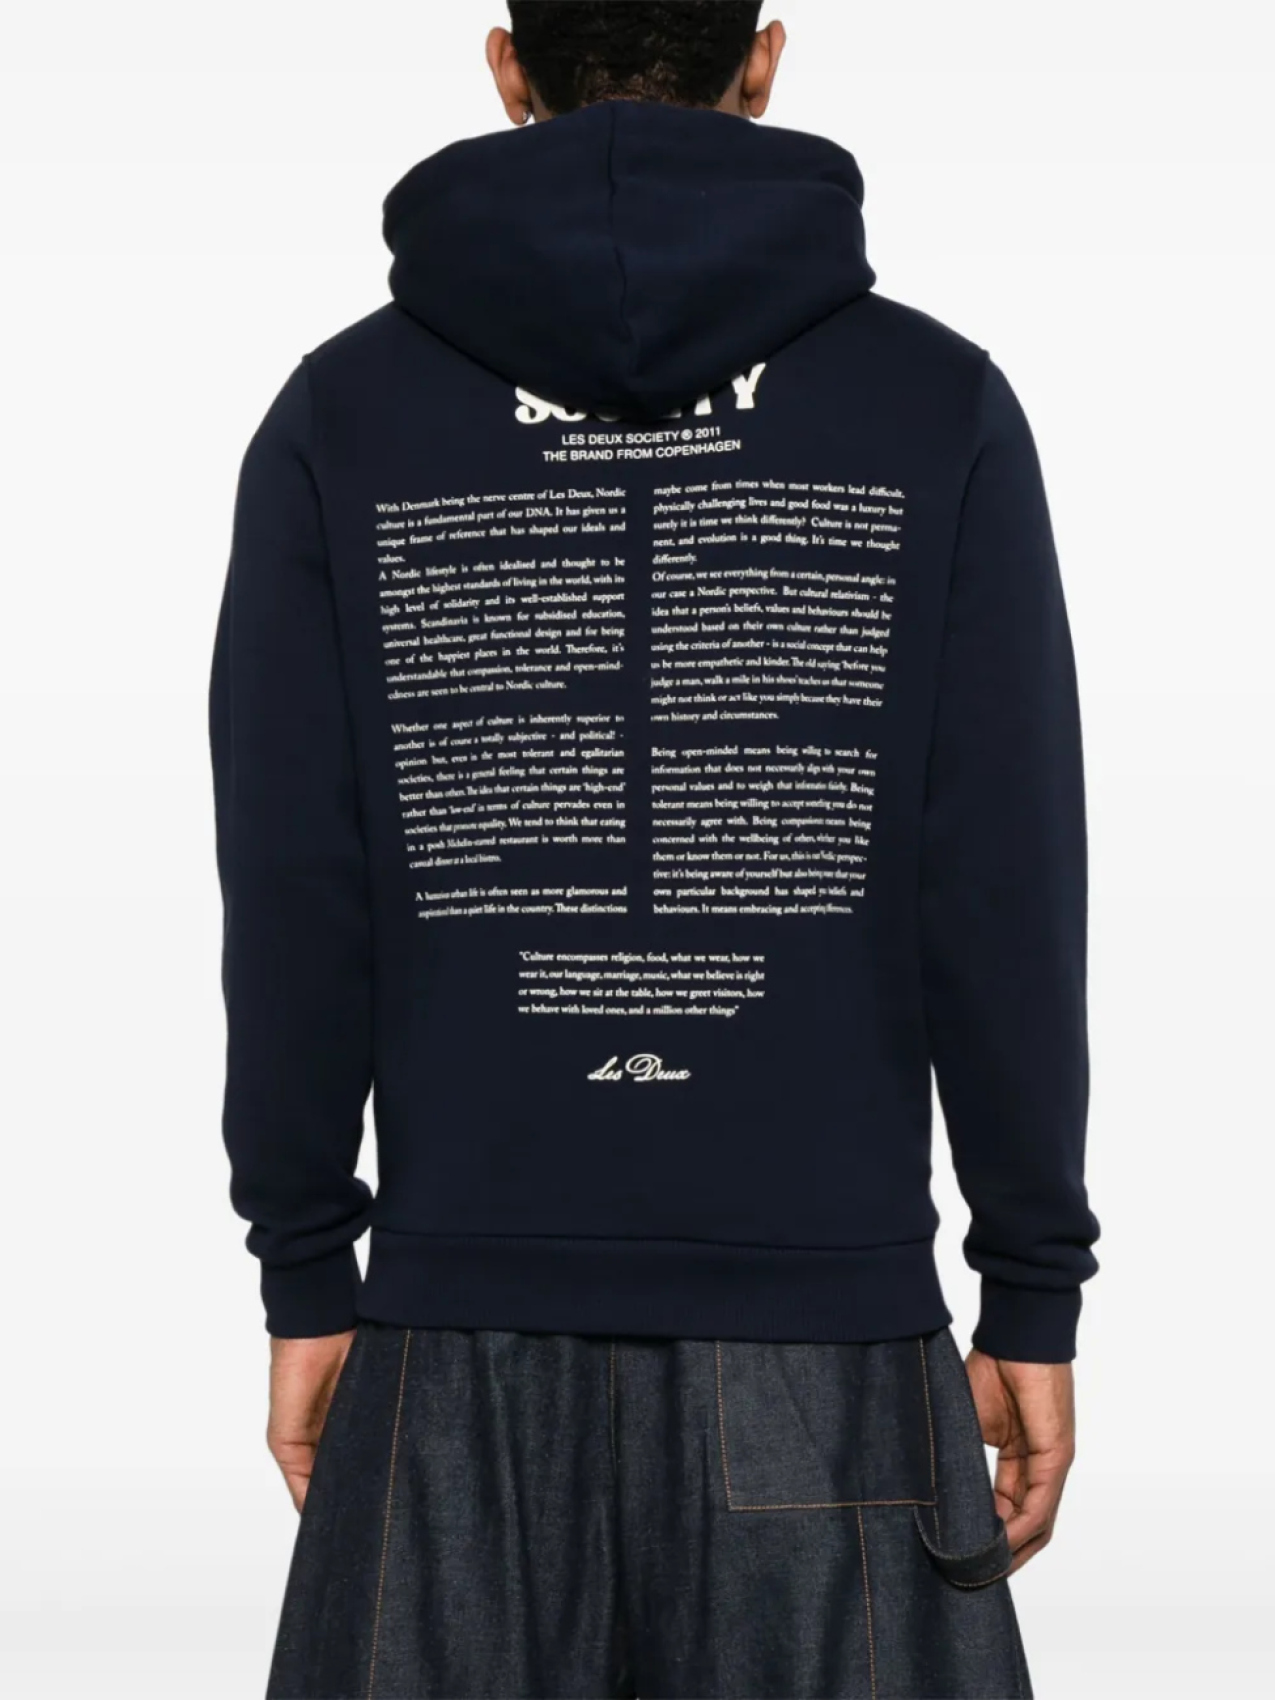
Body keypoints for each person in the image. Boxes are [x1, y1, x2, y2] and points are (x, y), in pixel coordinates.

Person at [208, 4, 1099, 1695]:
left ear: (506, 65)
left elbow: (296, 888)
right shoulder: (936, 408)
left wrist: (307, 1268)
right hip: (831, 1349)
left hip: (450, 1345)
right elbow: (999, 889)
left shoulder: (343, 414)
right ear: (763, 60)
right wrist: (1031, 1288)